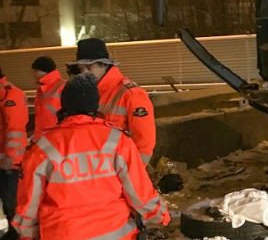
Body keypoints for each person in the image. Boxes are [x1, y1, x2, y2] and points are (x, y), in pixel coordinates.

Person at [12, 74, 170, 240]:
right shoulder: (116, 140)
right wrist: (160, 216)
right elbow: (139, 191)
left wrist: (27, 233)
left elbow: (29, 202)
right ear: (96, 103)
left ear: (64, 104)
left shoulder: (42, 146)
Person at [67, 38, 156, 165]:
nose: (84, 73)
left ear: (104, 64)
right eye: (81, 69)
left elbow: (144, 145)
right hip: (97, 171)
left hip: (120, 171)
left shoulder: (131, 94)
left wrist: (134, 175)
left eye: (89, 67)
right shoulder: (88, 92)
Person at [0, 70, 27, 240]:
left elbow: (15, 129)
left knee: (12, 201)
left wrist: (11, 158)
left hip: (10, 162)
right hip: (4, 159)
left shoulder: (12, 95)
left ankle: (18, 232)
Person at [31, 56, 65, 142]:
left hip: (56, 136)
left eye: (35, 71)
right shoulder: (42, 89)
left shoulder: (62, 86)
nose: (33, 74)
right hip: (44, 136)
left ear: (43, 70)